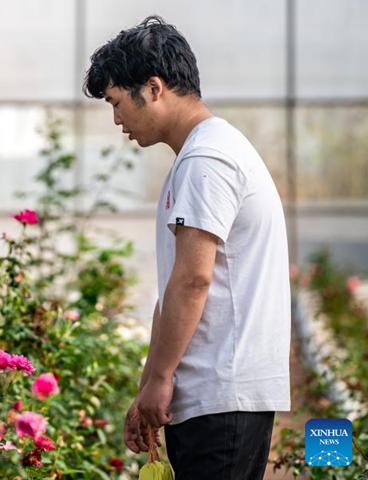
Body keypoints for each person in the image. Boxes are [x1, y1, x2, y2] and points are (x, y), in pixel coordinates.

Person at [84, 16, 290, 479]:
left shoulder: (206, 159)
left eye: (117, 103)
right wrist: (147, 385)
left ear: (153, 88)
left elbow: (194, 279)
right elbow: (176, 285)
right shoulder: (204, 153)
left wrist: (160, 379)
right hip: (211, 396)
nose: (117, 120)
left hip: (221, 398)